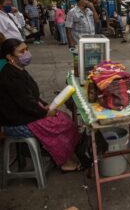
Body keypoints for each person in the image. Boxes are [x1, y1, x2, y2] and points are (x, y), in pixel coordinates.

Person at [0, 38, 81, 171]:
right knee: (59, 124)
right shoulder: (10, 76)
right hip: (17, 122)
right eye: (22, 52)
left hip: (27, 113)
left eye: (27, 49)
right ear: (10, 57)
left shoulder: (18, 69)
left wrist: (45, 106)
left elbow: (31, 96)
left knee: (63, 118)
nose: (26, 53)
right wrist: (45, 112)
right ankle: (63, 161)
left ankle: (66, 154)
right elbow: (26, 103)